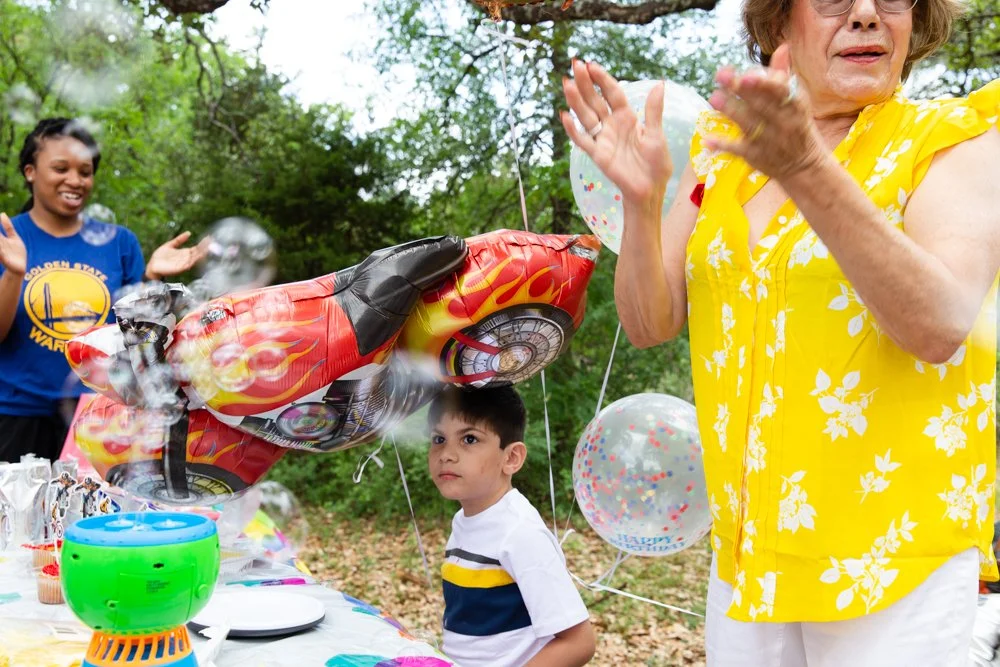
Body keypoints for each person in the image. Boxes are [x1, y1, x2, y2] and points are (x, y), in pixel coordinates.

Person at [562, 0, 1000, 665]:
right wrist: (642, 204)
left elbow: (939, 325)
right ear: (778, 22)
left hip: (892, 558)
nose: (865, 14)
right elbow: (650, 323)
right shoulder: (722, 154)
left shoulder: (954, 140)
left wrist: (806, 168)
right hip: (749, 553)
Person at [0, 118, 205, 463]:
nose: (75, 180)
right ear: (30, 172)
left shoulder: (120, 243)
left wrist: (152, 278)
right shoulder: (6, 238)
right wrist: (14, 273)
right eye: (61, 168)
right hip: (15, 414)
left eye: (85, 171)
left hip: (99, 414)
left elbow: (135, 337)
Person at [427, 384, 595, 667]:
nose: (447, 454)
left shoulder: (521, 534)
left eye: (469, 439)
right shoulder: (464, 521)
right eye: (438, 439)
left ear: (511, 458)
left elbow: (579, 643)